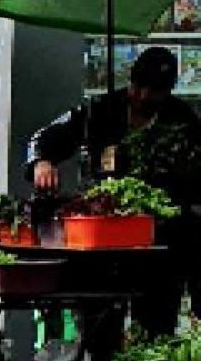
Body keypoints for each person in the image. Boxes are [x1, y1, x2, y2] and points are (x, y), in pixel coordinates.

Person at [28, 45, 201, 336]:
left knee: (157, 321)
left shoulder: (183, 120)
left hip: (160, 240)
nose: (145, 97)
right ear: (130, 82)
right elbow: (44, 137)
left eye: (155, 91)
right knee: (100, 321)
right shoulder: (98, 111)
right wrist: (41, 161)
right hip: (105, 236)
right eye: (140, 87)